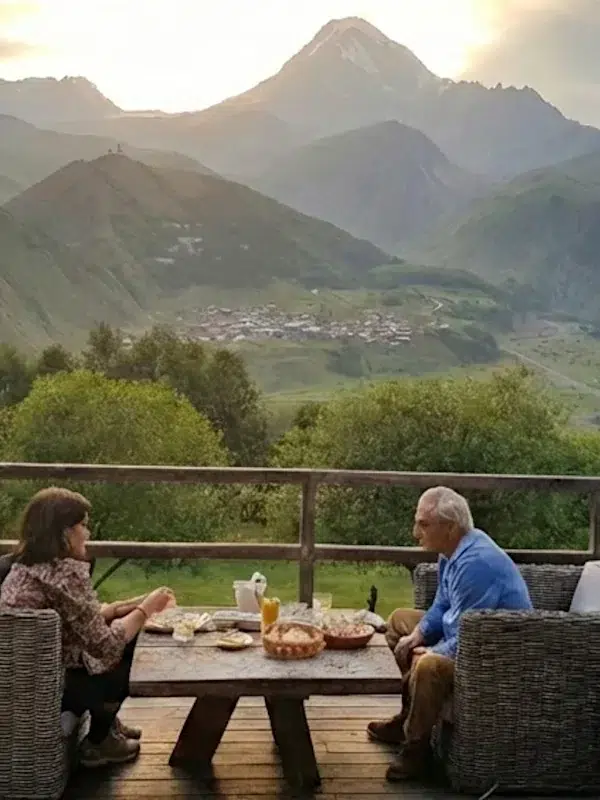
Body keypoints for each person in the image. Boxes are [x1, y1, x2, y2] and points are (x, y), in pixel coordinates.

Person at [0, 487, 175, 768]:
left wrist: (125, 606)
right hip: (45, 690)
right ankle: (99, 741)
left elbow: (79, 618)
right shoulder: (63, 574)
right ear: (63, 532)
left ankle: (108, 723)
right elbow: (104, 645)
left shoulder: (27, 567)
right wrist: (146, 610)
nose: (88, 533)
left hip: (24, 680)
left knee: (122, 632)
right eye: (82, 525)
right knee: (126, 650)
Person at [367, 486, 532, 782]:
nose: (415, 532)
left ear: (451, 527)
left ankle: (417, 751)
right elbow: (443, 604)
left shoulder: (475, 564)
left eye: (424, 524)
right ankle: (409, 715)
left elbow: (469, 638)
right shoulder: (451, 550)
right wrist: (418, 635)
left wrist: (431, 653)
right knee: (399, 621)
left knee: (429, 666)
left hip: (494, 656)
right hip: (468, 635)